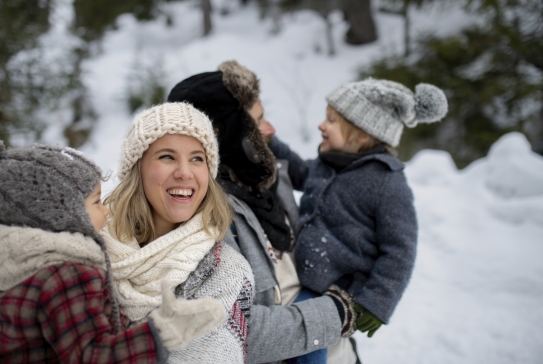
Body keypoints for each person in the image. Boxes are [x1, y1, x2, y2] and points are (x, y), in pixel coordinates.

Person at [0, 136, 226, 364]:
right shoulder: (68, 275)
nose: (106, 209)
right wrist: (162, 332)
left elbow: (12, 331)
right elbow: (91, 355)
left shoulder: (12, 264)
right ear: (60, 213)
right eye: (96, 202)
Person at [167, 60, 357, 364]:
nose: (271, 130)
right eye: (259, 120)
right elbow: (232, 331)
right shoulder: (204, 219)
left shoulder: (266, 177)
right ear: (229, 133)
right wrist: (331, 314)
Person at [269, 79, 448, 343]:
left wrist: (377, 301)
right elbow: (299, 172)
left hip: (340, 289)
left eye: (332, 120)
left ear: (363, 134)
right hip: (307, 274)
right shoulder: (327, 163)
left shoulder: (387, 181)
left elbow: (400, 249)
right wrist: (270, 141)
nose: (321, 125)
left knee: (306, 333)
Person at [100, 102, 255, 363]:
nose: (184, 173)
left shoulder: (226, 272)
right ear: (137, 169)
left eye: (197, 159)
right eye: (167, 157)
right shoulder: (92, 250)